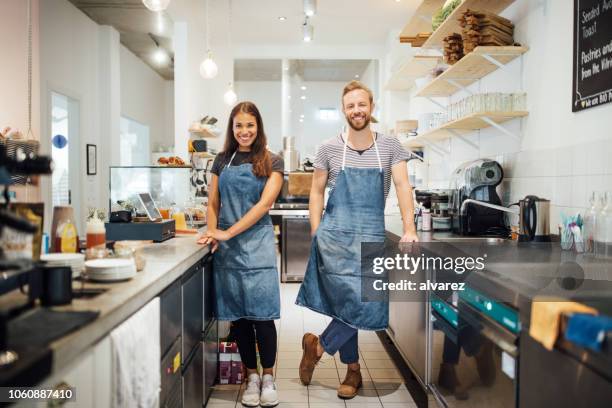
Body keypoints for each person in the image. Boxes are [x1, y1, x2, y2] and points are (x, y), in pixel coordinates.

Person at [296, 81, 419, 399]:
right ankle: (353, 372)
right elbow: (316, 191)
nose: (356, 110)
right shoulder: (328, 148)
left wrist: (410, 228)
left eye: (361, 104)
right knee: (346, 307)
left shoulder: (391, 146)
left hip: (371, 239)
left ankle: (318, 346)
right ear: (343, 110)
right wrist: (315, 229)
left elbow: (404, 187)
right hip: (336, 238)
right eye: (350, 106)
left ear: (372, 106)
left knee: (367, 306)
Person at [199, 101, 283, 407]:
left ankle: (270, 377)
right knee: (241, 319)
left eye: (249, 125)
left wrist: (227, 232)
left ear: (258, 126)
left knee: (262, 317)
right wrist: (212, 231)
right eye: (238, 125)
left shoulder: (273, 161)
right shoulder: (222, 160)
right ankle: (252, 377)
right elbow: (212, 203)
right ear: (232, 128)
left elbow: (264, 206)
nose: (244, 131)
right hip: (229, 252)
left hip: (258, 248)